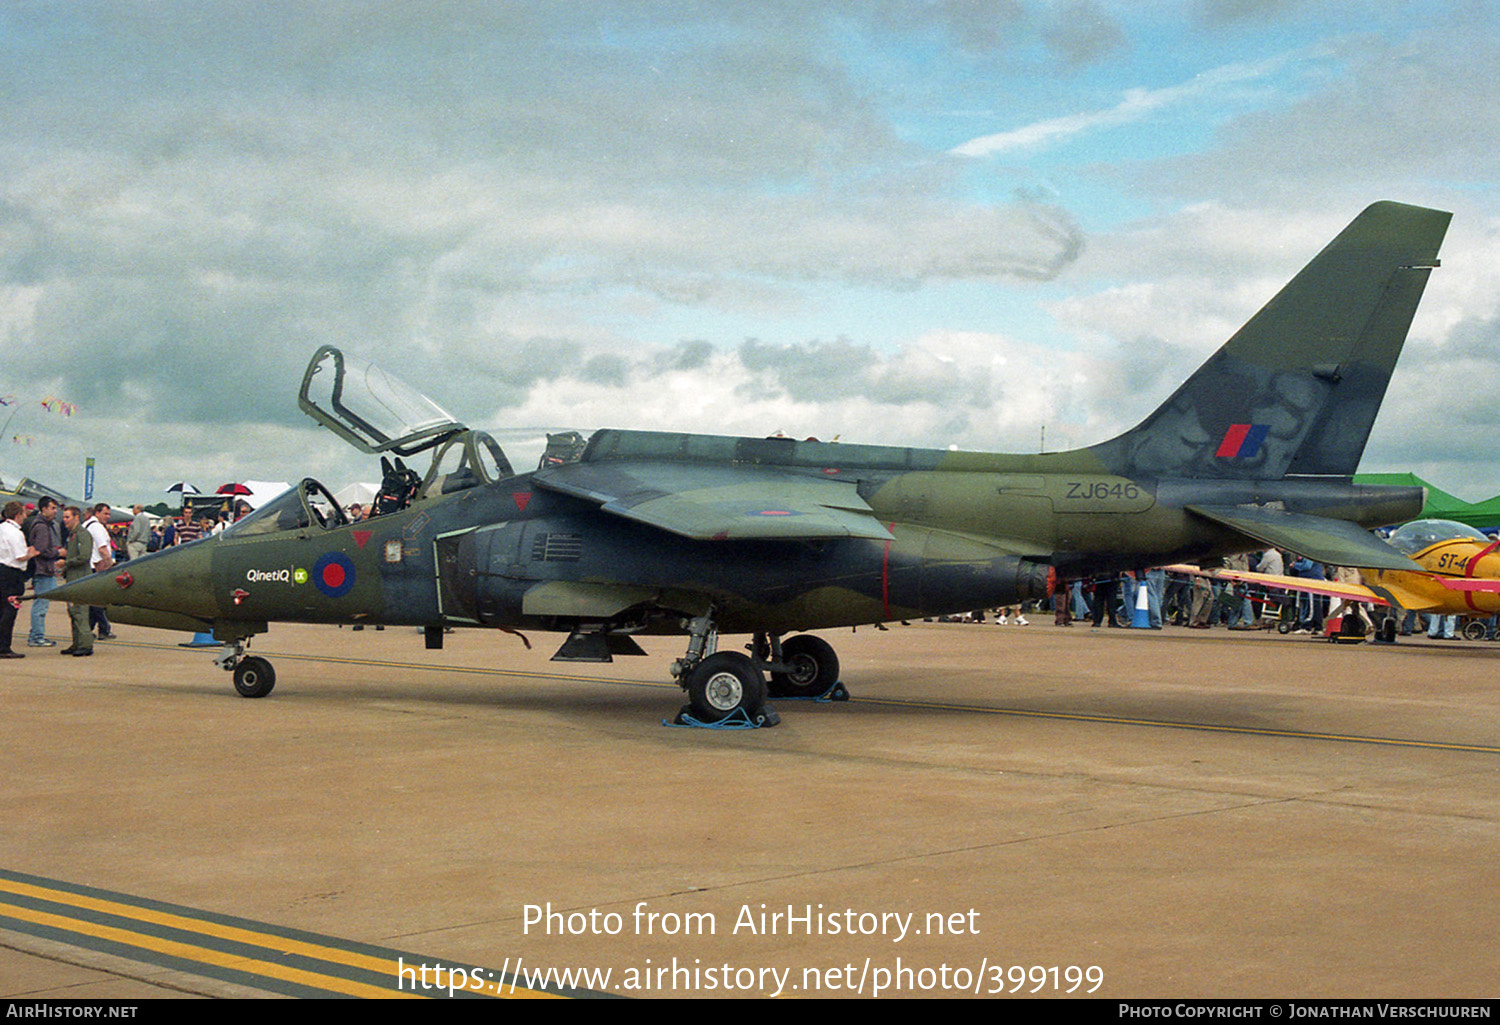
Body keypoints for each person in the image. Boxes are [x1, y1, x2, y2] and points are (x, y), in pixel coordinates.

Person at [0, 500, 39, 658]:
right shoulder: (15, 532)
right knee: (10, 611)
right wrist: (31, 553)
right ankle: (4, 647)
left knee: (1, 609)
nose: (25, 517)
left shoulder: (2, 528)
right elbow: (20, 556)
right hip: (12, 574)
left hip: (2, 570)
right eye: (23, 513)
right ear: (17, 515)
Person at [26, 496, 62, 647]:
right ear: (44, 509)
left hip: (43, 569)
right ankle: (37, 636)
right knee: (41, 604)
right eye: (52, 508)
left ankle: (36, 634)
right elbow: (41, 550)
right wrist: (58, 554)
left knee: (40, 604)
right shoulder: (42, 526)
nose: (55, 511)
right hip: (43, 570)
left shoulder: (43, 524)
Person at [59, 506, 93, 656]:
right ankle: (77, 642)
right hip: (72, 577)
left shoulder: (83, 534)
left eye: (67, 517)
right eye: (64, 517)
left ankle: (86, 645)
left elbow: (84, 556)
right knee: (73, 611)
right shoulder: (72, 535)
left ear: (76, 517)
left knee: (80, 611)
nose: (64, 520)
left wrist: (66, 563)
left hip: (80, 577)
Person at [86, 503, 115, 640]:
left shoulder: (88, 525)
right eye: (105, 514)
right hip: (97, 567)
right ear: (97, 513)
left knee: (93, 602)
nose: (108, 517)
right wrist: (110, 563)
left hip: (90, 566)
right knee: (98, 602)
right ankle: (104, 629)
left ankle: (87, 629)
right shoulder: (97, 527)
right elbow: (102, 548)